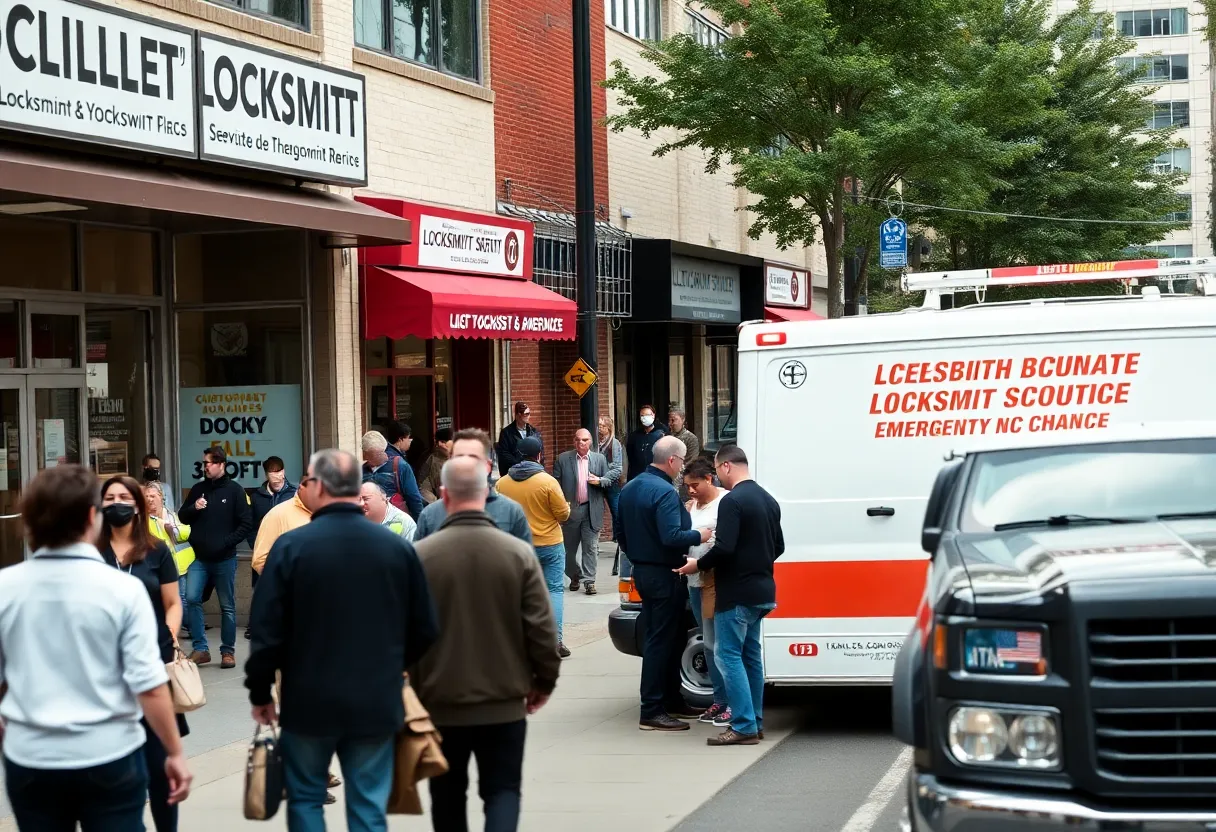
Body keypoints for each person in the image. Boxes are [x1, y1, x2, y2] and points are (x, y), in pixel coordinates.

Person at [246, 449, 439, 832]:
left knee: (305, 797)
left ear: (319, 487)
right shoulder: (395, 548)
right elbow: (425, 628)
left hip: (308, 698)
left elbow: (267, 629)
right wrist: (397, 668)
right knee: (368, 803)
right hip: (375, 695)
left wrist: (261, 692)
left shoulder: (291, 548)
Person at [0, 465, 191, 829]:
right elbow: (148, 686)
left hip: (31, 759)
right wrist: (174, 751)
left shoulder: (5, 588)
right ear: (92, 516)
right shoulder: (122, 590)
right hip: (109, 755)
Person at [412, 457, 560, 832]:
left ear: (443, 496)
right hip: (504, 700)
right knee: (503, 791)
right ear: (486, 492)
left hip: (439, 701)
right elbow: (542, 629)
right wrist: (543, 681)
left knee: (446, 794)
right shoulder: (517, 554)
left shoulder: (419, 558)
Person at [247, 460, 343, 804]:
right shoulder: (279, 515)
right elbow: (260, 559)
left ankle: (318, 767)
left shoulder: (330, 517)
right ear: (303, 486)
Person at [100, 476, 191, 832]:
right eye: (110, 497)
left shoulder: (156, 550)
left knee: (159, 765)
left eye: (125, 496)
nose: (117, 503)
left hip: (154, 664)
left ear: (139, 505)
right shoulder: (92, 552)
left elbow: (172, 603)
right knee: (120, 771)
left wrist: (165, 637)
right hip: (106, 672)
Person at [677, 445, 784, 746]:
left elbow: (724, 547)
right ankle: (755, 721)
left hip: (735, 591)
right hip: (763, 589)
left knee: (727, 655)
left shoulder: (733, 501)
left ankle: (742, 725)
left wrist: (698, 564)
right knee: (750, 656)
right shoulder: (768, 499)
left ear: (725, 467)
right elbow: (779, 546)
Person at [617, 435, 710, 731]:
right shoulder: (665, 493)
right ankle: (653, 709)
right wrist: (701, 536)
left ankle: (671, 700)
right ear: (672, 460)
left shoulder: (630, 488)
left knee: (669, 638)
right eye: (682, 463)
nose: (682, 469)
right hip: (665, 572)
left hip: (644, 571)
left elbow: (620, 534)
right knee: (660, 640)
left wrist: (640, 556)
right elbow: (672, 536)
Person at [496, 436, 571, 657]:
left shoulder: (502, 483)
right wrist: (565, 507)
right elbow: (563, 514)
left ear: (519, 454)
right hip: (549, 544)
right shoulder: (547, 482)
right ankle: (554, 641)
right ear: (539, 455)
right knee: (554, 590)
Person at [179, 446, 251, 669]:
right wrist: (194, 507)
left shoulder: (235, 491)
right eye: (204, 463)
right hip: (200, 559)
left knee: (227, 606)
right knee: (192, 598)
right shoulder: (199, 489)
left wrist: (226, 542)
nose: (205, 467)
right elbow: (183, 516)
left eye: (209, 463)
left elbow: (246, 524)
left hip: (225, 559)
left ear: (222, 464)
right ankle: (201, 649)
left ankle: (227, 652)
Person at [680, 458, 730, 728]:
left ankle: (729, 702)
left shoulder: (725, 502)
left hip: (714, 581)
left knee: (719, 644)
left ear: (709, 479)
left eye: (695, 485)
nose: (691, 491)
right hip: (694, 582)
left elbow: (721, 539)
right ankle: (719, 700)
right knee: (708, 644)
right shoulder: (692, 506)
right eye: (687, 486)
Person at [415, 429, 532, 544]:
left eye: (473, 457)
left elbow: (525, 560)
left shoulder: (512, 512)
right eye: (458, 457)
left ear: (488, 465)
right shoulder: (429, 515)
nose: (466, 464)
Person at [554, 428, 618, 596]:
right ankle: (575, 575)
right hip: (571, 510)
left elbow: (607, 482)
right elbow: (555, 486)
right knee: (568, 550)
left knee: (590, 548)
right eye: (577, 440)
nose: (581, 443)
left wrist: (599, 481)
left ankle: (589, 581)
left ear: (590, 442)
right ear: (574, 442)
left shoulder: (599, 459)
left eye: (584, 440)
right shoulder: (563, 459)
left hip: (592, 509)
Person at [247, 456, 297, 638]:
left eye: (279, 471)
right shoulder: (257, 497)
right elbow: (250, 526)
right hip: (264, 553)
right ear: (266, 474)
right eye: (272, 472)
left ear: (284, 472)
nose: (276, 476)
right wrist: (257, 546)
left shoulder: (295, 494)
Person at [144, 481, 194, 618]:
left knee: (183, 598)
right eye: (146, 496)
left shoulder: (171, 515)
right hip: (159, 566)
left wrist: (172, 529)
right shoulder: (144, 520)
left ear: (161, 497)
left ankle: (191, 626)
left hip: (181, 564)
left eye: (153, 496)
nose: (149, 499)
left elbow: (188, 531)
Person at [361, 430, 424, 520]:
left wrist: (419, 527)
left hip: (397, 522)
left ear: (383, 451)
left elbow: (413, 498)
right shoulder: (362, 471)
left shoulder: (400, 466)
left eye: (371, 455)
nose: (365, 457)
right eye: (365, 454)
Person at [597, 416, 626, 575]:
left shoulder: (614, 444)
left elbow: (617, 467)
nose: (599, 428)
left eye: (602, 426)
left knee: (617, 511)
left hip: (611, 483)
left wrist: (604, 478)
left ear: (608, 428)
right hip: (596, 483)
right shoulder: (596, 443)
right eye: (598, 425)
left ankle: (619, 539)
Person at [496, 401, 541, 476]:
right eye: (526, 414)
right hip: (513, 472)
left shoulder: (533, 431)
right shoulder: (506, 433)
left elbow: (539, 450)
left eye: (529, 413)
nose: (529, 416)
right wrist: (520, 464)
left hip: (532, 472)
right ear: (518, 415)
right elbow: (504, 454)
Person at [667, 407, 701, 500]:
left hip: (683, 480)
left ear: (682, 419)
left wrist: (677, 475)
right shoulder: (667, 437)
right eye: (670, 420)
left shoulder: (691, 438)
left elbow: (691, 461)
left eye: (674, 420)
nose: (671, 423)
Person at [625, 404, 666, 482]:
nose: (645, 418)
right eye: (642, 415)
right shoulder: (634, 436)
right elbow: (630, 456)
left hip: (656, 477)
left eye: (647, 415)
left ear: (653, 415)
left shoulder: (661, 435)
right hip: (638, 476)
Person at [418, 428, 453, 504]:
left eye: (444, 442)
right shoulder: (431, 459)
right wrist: (435, 505)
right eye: (439, 441)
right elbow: (423, 487)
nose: (440, 444)